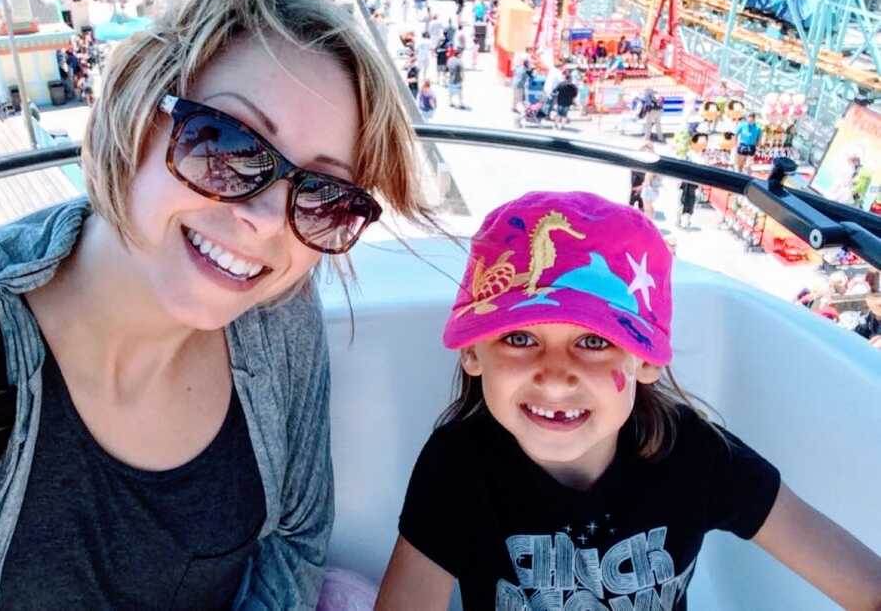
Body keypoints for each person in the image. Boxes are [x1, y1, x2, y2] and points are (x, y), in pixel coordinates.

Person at [0, 0, 431, 608]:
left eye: (323, 195)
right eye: (226, 143)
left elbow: (297, 537)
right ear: (137, 107)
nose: (266, 220)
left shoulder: (281, 313)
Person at [375, 191, 881, 610]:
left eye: (593, 342)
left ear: (646, 361)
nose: (555, 377)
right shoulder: (458, 465)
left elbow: (864, 584)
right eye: (520, 338)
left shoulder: (695, 455)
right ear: (473, 353)